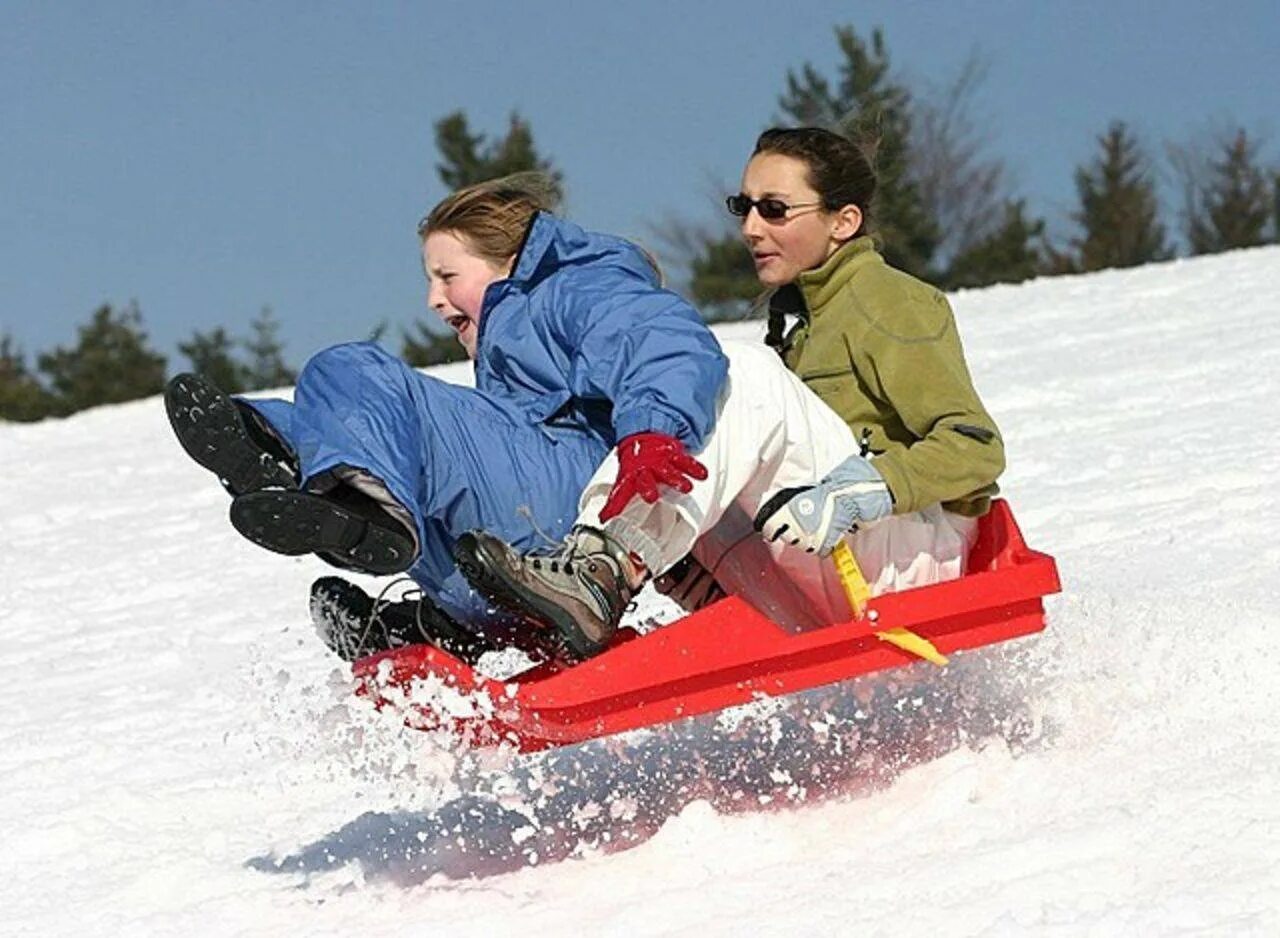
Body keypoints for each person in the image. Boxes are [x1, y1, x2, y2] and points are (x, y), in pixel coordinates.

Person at [463, 129, 1005, 659]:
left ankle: (602, 569)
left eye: (774, 209)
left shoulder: (886, 299)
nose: (750, 227)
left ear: (844, 221)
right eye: (742, 206)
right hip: (829, 569)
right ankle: (550, 595)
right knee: (670, 412)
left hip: (915, 575)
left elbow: (977, 448)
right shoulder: (800, 316)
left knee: (733, 376)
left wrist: (860, 492)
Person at [164, 173, 728, 664]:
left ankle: (344, 495)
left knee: (353, 372)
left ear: (512, 264)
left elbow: (665, 340)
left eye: (447, 276)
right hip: (513, 551)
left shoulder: (572, 288)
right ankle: (285, 464)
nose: (434, 300)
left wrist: (652, 430)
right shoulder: (514, 348)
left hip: (582, 500)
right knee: (375, 437)